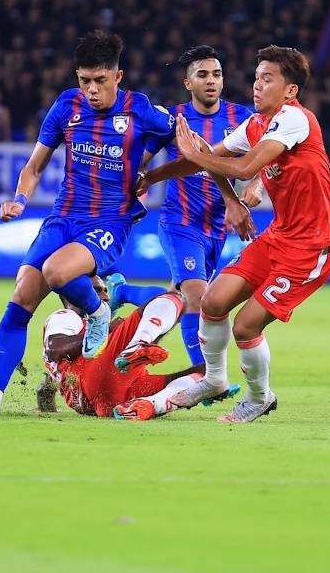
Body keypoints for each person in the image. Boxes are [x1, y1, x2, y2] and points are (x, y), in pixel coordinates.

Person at [0, 31, 251, 419]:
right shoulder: (66, 106)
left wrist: (223, 194)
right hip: (63, 217)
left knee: (57, 271)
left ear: (117, 77)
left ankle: (100, 310)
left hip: (109, 221)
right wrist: (20, 198)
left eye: (100, 81)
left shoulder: (142, 111)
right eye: (84, 80)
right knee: (22, 296)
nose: (91, 90)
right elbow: (35, 165)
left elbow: (197, 152)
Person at [137, 45, 330, 423]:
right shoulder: (255, 125)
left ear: (290, 90)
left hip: (313, 248)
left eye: (268, 78)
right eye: (256, 77)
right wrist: (152, 176)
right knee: (213, 302)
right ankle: (214, 380)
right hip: (278, 237)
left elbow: (244, 168)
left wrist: (201, 157)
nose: (257, 85)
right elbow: (210, 160)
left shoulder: (295, 119)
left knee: (246, 324)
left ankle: (259, 397)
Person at [106, 45, 260, 368]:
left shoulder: (241, 118)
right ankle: (203, 373)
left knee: (178, 302)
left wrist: (255, 187)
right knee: (198, 298)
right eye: (202, 75)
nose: (211, 81)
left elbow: (261, 160)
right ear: (187, 83)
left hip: (217, 229)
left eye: (216, 74)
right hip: (181, 223)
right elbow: (140, 161)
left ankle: (122, 293)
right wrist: (135, 181)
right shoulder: (174, 121)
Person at [36, 276, 240, 420]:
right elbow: (56, 347)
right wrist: (107, 334)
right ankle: (134, 330)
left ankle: (153, 404)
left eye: (106, 290)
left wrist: (47, 406)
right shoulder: (67, 316)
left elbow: (47, 384)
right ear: (73, 295)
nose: (104, 297)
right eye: (97, 290)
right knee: (175, 298)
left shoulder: (93, 326)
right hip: (95, 375)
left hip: (112, 397)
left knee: (208, 374)